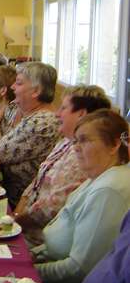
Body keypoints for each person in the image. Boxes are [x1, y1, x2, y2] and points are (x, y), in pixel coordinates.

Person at [32, 108, 130, 283]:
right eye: (75, 140)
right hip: (46, 280)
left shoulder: (108, 190)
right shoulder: (98, 178)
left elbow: (79, 270)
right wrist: (28, 256)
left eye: (84, 140)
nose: (75, 147)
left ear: (114, 145)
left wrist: (28, 271)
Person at [15, 85, 111, 246]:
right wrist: (16, 213)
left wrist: (14, 222)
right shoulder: (65, 141)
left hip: (40, 241)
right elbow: (36, 183)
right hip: (23, 228)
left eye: (64, 108)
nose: (58, 113)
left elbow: (53, 207)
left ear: (81, 114)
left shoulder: (83, 155)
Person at [0, 62, 60, 207]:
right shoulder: (20, 110)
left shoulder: (41, 123)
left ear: (36, 91)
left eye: (18, 83)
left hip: (18, 202)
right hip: (4, 189)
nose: (13, 87)